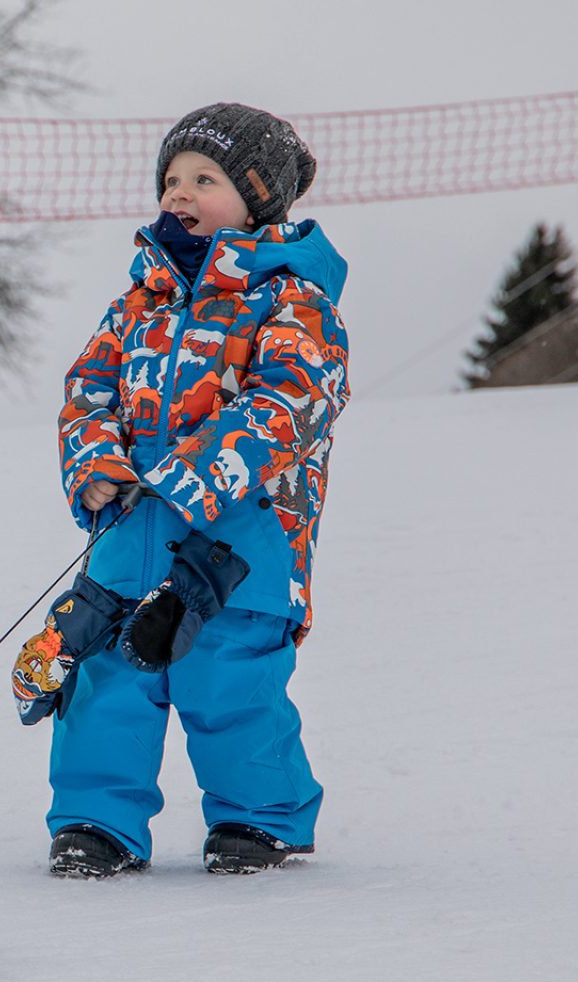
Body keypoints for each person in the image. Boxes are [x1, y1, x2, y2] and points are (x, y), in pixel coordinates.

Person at [24, 102, 351, 876]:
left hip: (240, 548)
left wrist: (188, 475)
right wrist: (96, 462)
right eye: (172, 177)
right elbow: (88, 390)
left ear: (258, 197)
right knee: (101, 683)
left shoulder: (292, 302)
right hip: (127, 544)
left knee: (229, 683)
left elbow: (288, 403)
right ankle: (95, 823)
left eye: (205, 178)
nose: (180, 192)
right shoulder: (139, 303)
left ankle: (258, 819)